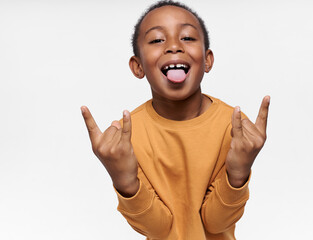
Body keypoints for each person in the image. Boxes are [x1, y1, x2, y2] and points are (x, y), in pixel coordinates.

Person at [81, 1, 270, 239]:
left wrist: (238, 171)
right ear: (138, 66)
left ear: (207, 60)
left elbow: (216, 222)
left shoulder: (232, 126)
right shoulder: (128, 136)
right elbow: (157, 229)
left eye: (188, 38)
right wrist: (125, 181)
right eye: (157, 40)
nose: (173, 46)